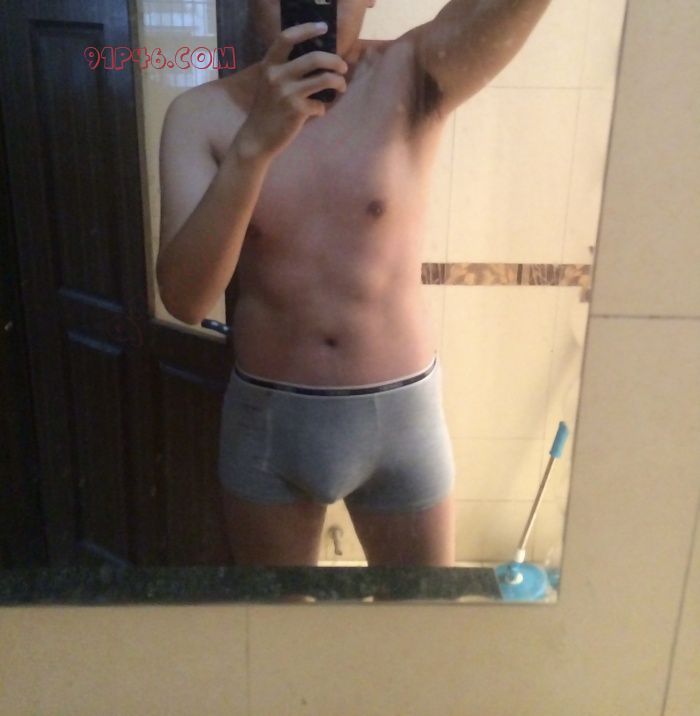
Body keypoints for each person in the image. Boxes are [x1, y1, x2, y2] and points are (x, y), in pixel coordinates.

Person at [156, 0, 552, 567]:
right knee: (278, 620)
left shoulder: (415, 70)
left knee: (419, 617)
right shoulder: (200, 115)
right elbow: (186, 302)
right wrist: (254, 145)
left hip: (401, 421)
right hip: (268, 423)